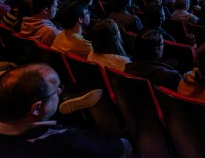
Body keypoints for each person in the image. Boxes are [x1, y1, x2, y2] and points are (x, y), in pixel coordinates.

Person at [0, 63, 132, 157]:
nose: (59, 91)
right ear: (37, 108)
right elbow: (124, 147)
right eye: (56, 91)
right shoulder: (67, 142)